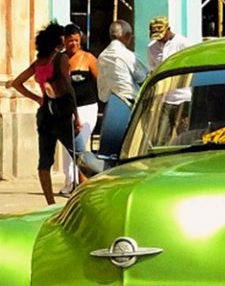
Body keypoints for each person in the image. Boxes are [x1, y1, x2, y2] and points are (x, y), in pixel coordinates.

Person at [11, 21, 76, 206]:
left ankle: (50, 202)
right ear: (58, 40)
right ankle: (82, 197)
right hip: (62, 110)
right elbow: (67, 86)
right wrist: (76, 114)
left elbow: (17, 83)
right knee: (78, 155)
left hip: (44, 112)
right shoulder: (61, 59)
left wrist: (37, 98)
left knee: (44, 160)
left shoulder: (39, 62)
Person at [64, 23, 99, 194]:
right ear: (64, 41)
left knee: (80, 143)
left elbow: (99, 80)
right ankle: (70, 182)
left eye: (77, 40)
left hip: (87, 108)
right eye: (70, 41)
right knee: (67, 147)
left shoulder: (88, 58)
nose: (74, 44)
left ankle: (83, 182)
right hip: (67, 109)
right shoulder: (61, 60)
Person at [96, 19, 144, 107]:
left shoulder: (101, 56)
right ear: (127, 35)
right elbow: (143, 78)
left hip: (107, 105)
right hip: (128, 103)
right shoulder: (128, 55)